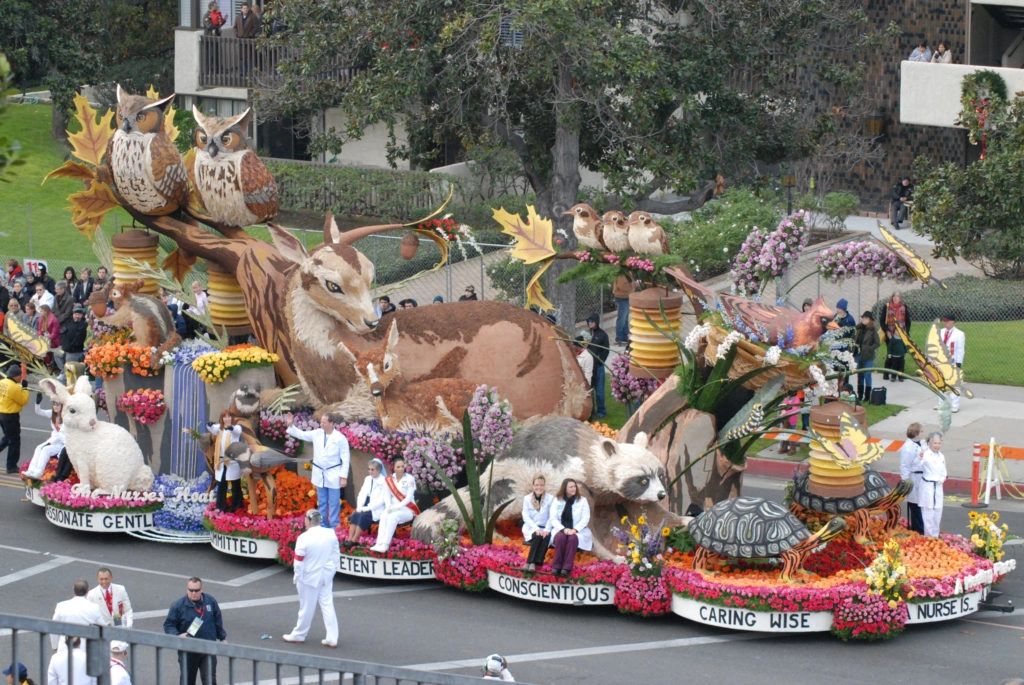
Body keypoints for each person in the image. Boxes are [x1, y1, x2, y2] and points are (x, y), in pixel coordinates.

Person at [283, 509, 340, 647]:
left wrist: (298, 576)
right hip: (325, 576)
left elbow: (298, 562)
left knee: (306, 607)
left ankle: (299, 634)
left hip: (308, 578)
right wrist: (330, 571)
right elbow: (335, 555)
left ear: (308, 521)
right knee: (327, 605)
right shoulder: (330, 534)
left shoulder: (303, 538)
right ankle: (332, 637)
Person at [286, 413, 349, 528]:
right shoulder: (317, 433)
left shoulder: (340, 438)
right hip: (320, 473)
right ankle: (323, 524)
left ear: (331, 423)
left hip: (333, 473)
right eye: (321, 422)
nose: (321, 424)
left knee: (334, 502)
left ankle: (334, 525)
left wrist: (343, 477)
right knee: (322, 502)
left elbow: (346, 458)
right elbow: (302, 434)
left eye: (324, 422)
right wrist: (291, 425)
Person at [163, 577, 226, 685]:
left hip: (208, 649)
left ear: (201, 590)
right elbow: (168, 625)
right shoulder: (178, 606)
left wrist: (222, 637)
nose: (193, 593)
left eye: (196, 590)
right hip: (188, 651)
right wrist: (178, 635)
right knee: (187, 681)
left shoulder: (210, 601)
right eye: (190, 590)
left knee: (210, 680)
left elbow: (217, 620)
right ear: (186, 590)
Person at [369, 455, 418, 553]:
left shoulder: (410, 479)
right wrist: (388, 506)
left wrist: (396, 507)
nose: (401, 469)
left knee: (392, 517)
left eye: (402, 466)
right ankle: (379, 543)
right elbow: (386, 495)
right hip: (392, 508)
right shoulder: (389, 480)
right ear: (393, 468)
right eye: (398, 467)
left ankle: (385, 545)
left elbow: (408, 498)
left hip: (407, 509)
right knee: (383, 515)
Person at [548, 478, 592, 576]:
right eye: (571, 487)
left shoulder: (582, 500)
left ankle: (566, 568)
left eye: (574, 486)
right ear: (565, 488)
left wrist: (575, 530)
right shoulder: (557, 500)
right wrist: (563, 529)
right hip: (561, 529)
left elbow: (586, 518)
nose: (574, 488)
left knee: (572, 539)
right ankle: (556, 566)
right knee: (560, 537)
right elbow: (553, 518)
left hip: (577, 530)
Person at [345, 458, 388, 548]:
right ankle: (349, 539)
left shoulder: (384, 481)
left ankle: (354, 540)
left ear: (379, 470)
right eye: (369, 469)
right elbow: (362, 493)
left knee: (364, 516)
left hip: (376, 507)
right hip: (365, 503)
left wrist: (368, 508)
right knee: (356, 514)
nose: (370, 471)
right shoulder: (367, 479)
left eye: (373, 469)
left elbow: (382, 500)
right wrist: (359, 506)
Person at [51, 580, 105, 649]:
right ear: (88, 591)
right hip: (85, 647)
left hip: (65, 645)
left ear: (74, 590)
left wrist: (55, 646)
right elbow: (103, 627)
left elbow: (53, 627)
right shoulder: (94, 607)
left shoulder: (61, 606)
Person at [208, 411, 244, 512]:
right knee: (222, 484)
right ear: (222, 419)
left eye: (229, 417)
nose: (227, 418)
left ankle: (237, 506)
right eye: (225, 417)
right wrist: (209, 425)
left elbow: (236, 431)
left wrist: (231, 428)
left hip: (232, 462)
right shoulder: (220, 429)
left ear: (231, 418)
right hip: (221, 462)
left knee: (236, 484)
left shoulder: (236, 428)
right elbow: (213, 429)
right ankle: (220, 507)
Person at [24, 392, 64, 479]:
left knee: (45, 450)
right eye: (54, 405)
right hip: (52, 441)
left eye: (58, 405)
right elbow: (38, 412)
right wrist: (37, 403)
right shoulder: (52, 413)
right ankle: (31, 470)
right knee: (38, 448)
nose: (55, 407)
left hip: (62, 444)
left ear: (63, 406)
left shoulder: (66, 418)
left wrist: (59, 430)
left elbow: (64, 437)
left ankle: (38, 472)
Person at [0, 363, 29, 474]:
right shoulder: (14, 387)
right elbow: (23, 400)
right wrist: (25, 388)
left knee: (8, 437)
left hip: (1, 413)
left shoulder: (1, 382)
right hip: (10, 416)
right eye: (20, 376)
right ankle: (11, 466)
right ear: (16, 376)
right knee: (14, 441)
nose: (21, 378)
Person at [917, 432, 947, 537]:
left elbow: (944, 472)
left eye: (939, 443)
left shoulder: (941, 456)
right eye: (935, 443)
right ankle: (928, 537)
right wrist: (921, 454)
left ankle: (935, 536)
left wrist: (942, 479)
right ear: (930, 443)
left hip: (938, 486)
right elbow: (920, 462)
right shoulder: (926, 454)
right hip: (928, 486)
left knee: (938, 512)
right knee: (928, 513)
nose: (937, 445)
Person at [522, 475, 554, 572]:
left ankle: (531, 562)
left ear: (544, 486)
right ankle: (532, 562)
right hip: (531, 527)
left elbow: (552, 516)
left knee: (546, 536)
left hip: (546, 526)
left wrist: (546, 529)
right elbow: (525, 516)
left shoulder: (550, 498)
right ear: (533, 486)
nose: (539, 487)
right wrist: (536, 528)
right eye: (536, 485)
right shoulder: (527, 498)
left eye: (541, 485)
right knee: (537, 535)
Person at [898, 422, 925, 534]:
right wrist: (906, 482)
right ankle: (918, 529)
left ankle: (919, 528)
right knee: (915, 505)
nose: (923, 433)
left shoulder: (922, 443)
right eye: (922, 431)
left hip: (922, 477)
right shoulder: (908, 448)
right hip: (914, 477)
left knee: (922, 504)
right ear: (917, 433)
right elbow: (905, 466)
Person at [937, 314, 966, 413]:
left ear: (953, 322)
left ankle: (955, 405)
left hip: (952, 362)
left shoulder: (959, 334)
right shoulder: (940, 332)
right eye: (944, 321)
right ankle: (941, 403)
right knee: (940, 382)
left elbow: (960, 350)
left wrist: (958, 363)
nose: (945, 323)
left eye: (947, 321)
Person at [880, 292, 911, 381]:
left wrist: (906, 332)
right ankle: (887, 373)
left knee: (901, 355)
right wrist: (887, 331)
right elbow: (882, 321)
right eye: (894, 296)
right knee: (891, 354)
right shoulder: (887, 306)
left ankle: (901, 374)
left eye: (897, 296)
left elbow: (908, 321)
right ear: (892, 297)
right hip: (890, 334)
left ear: (900, 298)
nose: (895, 298)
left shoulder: (904, 307)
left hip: (901, 334)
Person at [586, 314, 610, 419]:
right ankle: (591, 411)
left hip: (598, 368)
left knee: (599, 391)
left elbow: (606, 349)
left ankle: (601, 411)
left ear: (596, 322)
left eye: (592, 321)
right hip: (589, 367)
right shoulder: (587, 334)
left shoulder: (603, 335)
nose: (590, 323)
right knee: (590, 389)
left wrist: (601, 361)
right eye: (589, 321)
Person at [854, 311, 880, 402]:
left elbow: (877, 343)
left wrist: (869, 348)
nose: (864, 319)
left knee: (867, 375)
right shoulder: (859, 328)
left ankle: (867, 396)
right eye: (863, 318)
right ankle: (860, 395)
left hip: (868, 356)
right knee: (860, 375)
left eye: (866, 318)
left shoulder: (872, 330)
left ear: (869, 320)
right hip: (858, 355)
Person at [61, 306, 88, 370]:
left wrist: (70, 347)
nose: (77, 316)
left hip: (75, 351)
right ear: (73, 315)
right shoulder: (69, 322)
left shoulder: (83, 325)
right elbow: (63, 333)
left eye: (79, 314)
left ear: (82, 315)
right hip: (67, 349)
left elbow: (78, 339)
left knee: (71, 368)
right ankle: (63, 373)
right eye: (75, 314)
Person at [612, 274, 634, 345]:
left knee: (625, 318)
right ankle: (619, 338)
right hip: (622, 298)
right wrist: (633, 285)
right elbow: (621, 286)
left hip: (625, 297)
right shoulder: (621, 274)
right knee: (622, 318)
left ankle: (625, 337)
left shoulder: (627, 273)